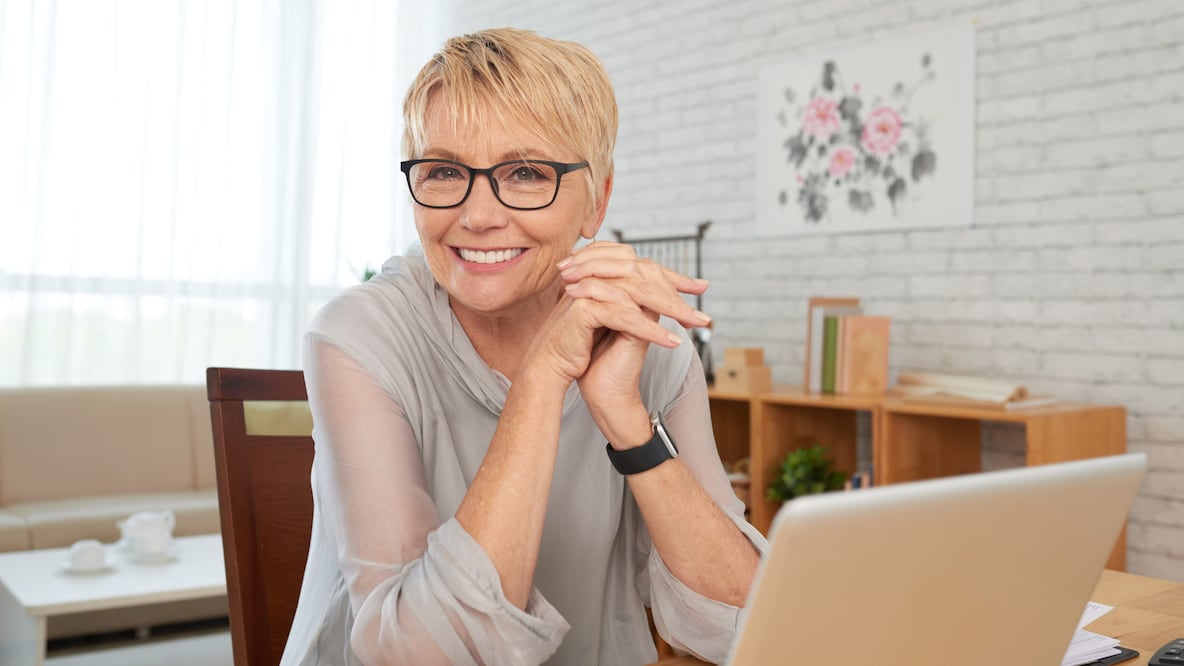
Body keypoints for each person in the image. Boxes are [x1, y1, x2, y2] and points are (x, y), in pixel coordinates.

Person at [282, 28, 766, 666]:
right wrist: (543, 377)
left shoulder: (639, 334)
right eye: (446, 170)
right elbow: (418, 658)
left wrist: (625, 417)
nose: (478, 215)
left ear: (598, 200)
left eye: (527, 173)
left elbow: (743, 622)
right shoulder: (358, 334)